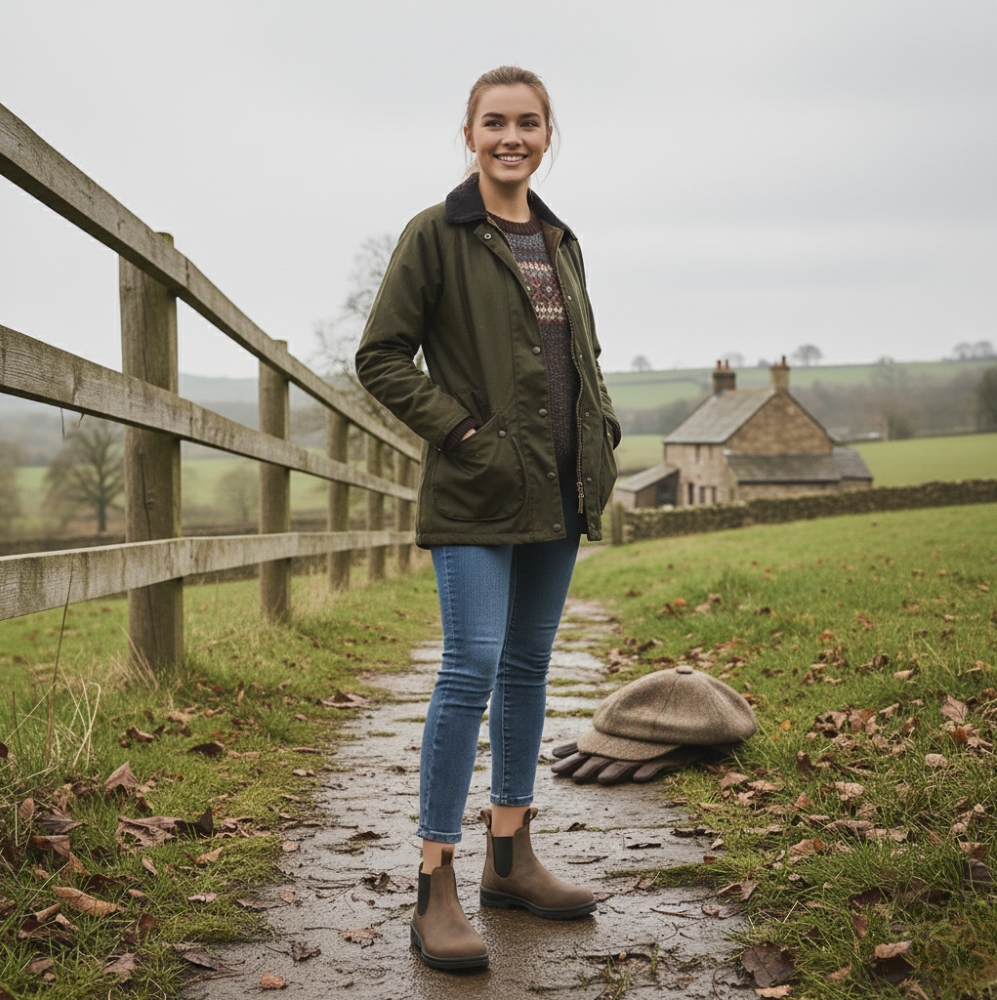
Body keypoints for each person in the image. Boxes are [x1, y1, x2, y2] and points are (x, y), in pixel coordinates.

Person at [356, 65, 620, 971]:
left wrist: (605, 430)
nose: (513, 137)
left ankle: (511, 855)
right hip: (476, 489)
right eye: (496, 122)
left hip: (559, 490)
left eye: (530, 123)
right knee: (469, 667)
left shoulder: (561, 239)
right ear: (467, 133)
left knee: (528, 666)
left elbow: (580, 357)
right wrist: (463, 430)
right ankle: (437, 881)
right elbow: (381, 357)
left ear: (550, 135)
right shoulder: (437, 234)